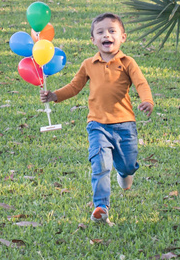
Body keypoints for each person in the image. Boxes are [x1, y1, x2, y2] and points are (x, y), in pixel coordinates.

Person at [40, 12, 154, 224]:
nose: (106, 35)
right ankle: (101, 206)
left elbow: (141, 83)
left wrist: (147, 100)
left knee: (128, 164)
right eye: (100, 32)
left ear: (123, 37)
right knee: (100, 164)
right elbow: (75, 87)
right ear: (93, 40)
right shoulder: (88, 64)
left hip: (125, 124)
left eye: (112, 31)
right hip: (97, 125)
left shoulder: (128, 62)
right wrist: (55, 95)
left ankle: (125, 173)